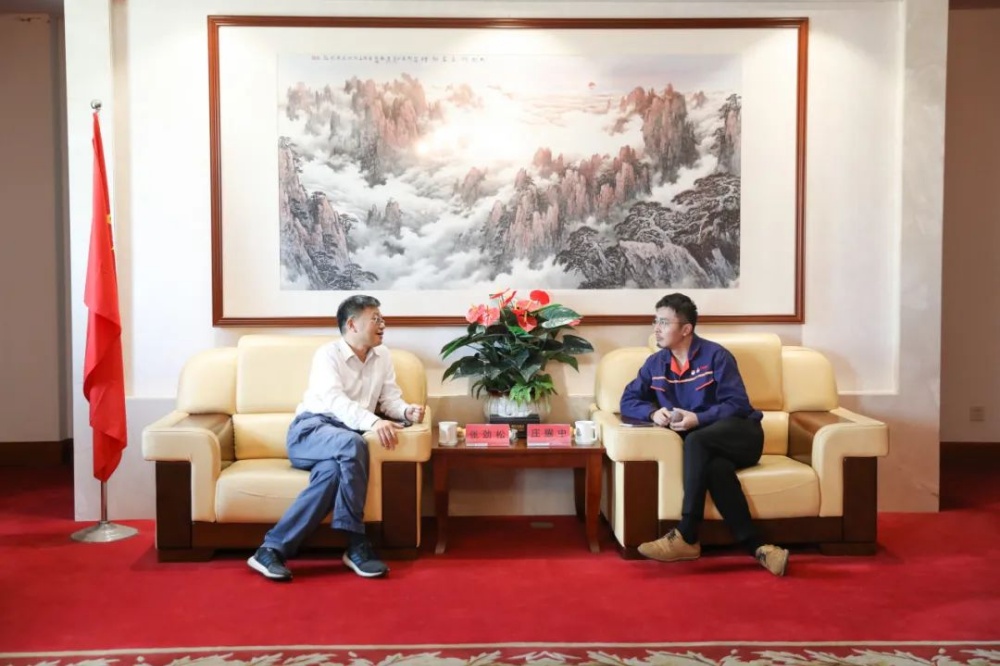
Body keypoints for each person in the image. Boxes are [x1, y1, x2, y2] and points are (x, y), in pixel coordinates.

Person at [248, 295, 425, 582]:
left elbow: (389, 399)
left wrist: (406, 411)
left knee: (332, 475)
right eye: (375, 319)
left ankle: (270, 550)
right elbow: (334, 401)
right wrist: (373, 421)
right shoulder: (327, 355)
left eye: (382, 318)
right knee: (353, 443)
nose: (383, 324)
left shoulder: (383, 356)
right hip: (310, 432)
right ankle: (356, 541)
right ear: (352, 324)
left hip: (342, 443)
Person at [619, 292, 789, 576]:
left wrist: (699, 418)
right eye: (655, 321)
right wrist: (651, 413)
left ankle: (686, 533)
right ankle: (760, 548)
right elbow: (627, 400)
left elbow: (738, 404)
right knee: (715, 469)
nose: (656, 329)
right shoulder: (655, 364)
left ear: (686, 329)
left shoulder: (717, 356)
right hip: (707, 449)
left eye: (664, 322)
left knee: (697, 438)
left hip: (742, 436)